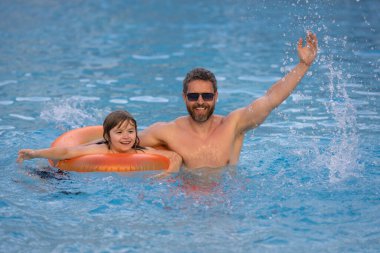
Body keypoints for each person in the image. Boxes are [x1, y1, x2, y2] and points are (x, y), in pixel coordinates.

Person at [139, 32, 318, 169]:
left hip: (226, 204)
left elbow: (271, 99)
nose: (200, 101)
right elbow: (121, 141)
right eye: (194, 96)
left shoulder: (233, 125)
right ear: (184, 97)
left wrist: (303, 65)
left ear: (216, 96)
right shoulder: (167, 132)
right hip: (185, 204)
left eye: (207, 96)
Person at [17, 110, 182, 178]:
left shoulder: (143, 151)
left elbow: (174, 156)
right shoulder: (99, 148)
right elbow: (67, 152)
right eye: (119, 132)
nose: (126, 137)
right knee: (53, 178)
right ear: (108, 137)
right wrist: (35, 153)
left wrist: (167, 175)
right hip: (72, 175)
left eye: (130, 132)